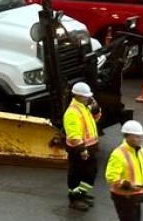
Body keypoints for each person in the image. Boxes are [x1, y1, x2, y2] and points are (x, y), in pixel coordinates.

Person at [106, 120, 143, 221]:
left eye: (140, 136)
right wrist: (128, 186)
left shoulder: (140, 150)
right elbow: (111, 177)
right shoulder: (118, 154)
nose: (140, 139)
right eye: (137, 136)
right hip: (124, 197)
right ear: (128, 136)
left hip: (135, 195)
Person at [63, 81, 102, 211]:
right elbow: (73, 135)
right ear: (78, 96)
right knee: (76, 174)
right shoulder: (72, 112)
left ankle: (81, 194)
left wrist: (96, 109)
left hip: (89, 148)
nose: (88, 98)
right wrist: (81, 149)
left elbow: (95, 119)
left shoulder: (84, 107)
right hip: (80, 150)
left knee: (90, 172)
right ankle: (74, 199)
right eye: (86, 96)